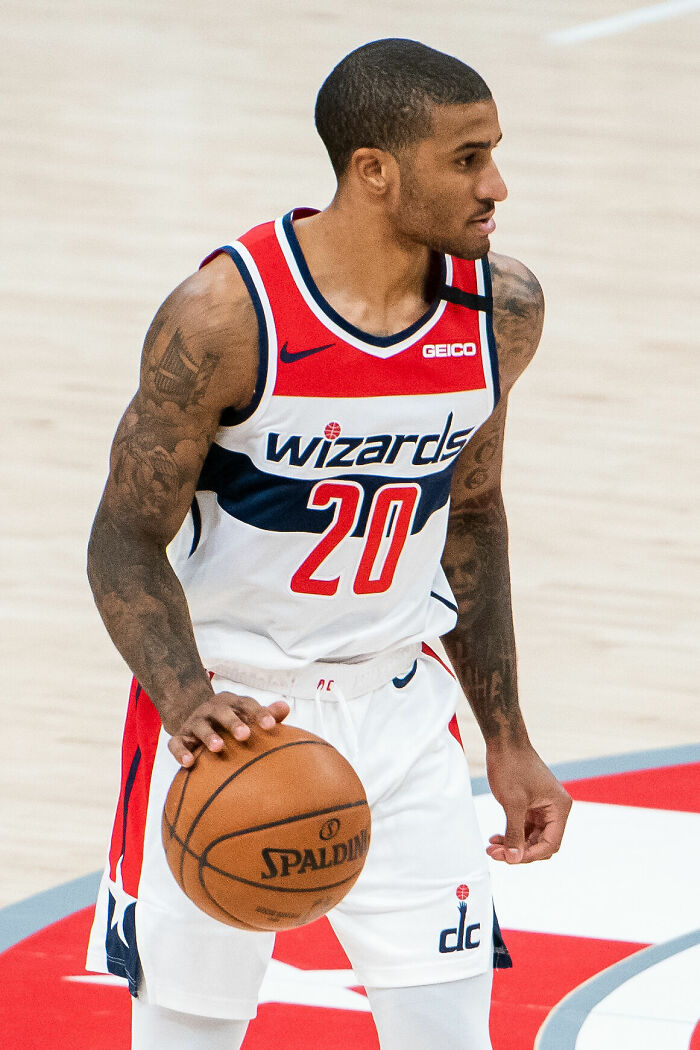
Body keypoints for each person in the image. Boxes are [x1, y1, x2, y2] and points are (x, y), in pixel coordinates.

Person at [85, 37, 572, 1050]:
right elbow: (125, 540)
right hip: (229, 717)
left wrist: (507, 735)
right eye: (468, 159)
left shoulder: (498, 310)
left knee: (450, 1037)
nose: (498, 186)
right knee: (187, 1037)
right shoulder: (226, 316)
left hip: (399, 707)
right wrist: (185, 699)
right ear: (374, 171)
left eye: (494, 154)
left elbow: (471, 518)